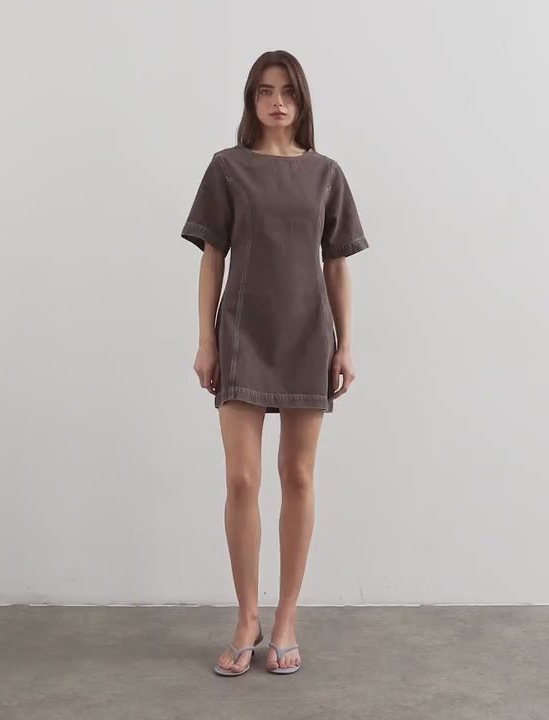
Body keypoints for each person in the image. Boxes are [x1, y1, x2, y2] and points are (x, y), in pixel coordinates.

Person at [180, 50, 369, 676]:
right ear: (251, 100)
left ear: (302, 99)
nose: (277, 101)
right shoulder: (227, 167)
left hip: (308, 336)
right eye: (264, 91)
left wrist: (346, 342)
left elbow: (337, 263)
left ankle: (285, 619)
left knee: (299, 477)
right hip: (241, 334)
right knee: (242, 479)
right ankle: (246, 618)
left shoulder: (326, 174)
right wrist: (206, 339)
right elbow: (212, 257)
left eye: (287, 90)